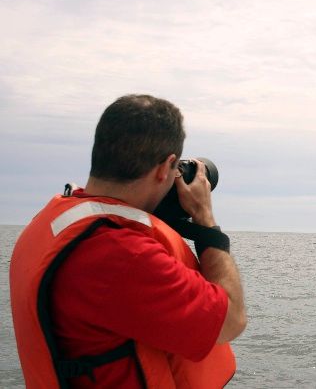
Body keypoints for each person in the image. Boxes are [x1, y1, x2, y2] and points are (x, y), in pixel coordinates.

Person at [10, 95, 247, 388]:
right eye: (175, 170)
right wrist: (205, 219)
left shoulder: (50, 222)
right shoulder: (122, 254)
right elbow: (230, 320)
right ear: (165, 168)